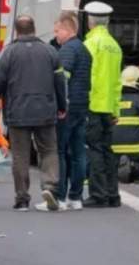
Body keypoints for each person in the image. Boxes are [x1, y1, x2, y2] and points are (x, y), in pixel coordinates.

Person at [0, 15, 66, 212]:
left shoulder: (9, 53)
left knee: (21, 156)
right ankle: (50, 187)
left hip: (17, 111)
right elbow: (60, 82)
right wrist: (62, 106)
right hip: (46, 110)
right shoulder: (50, 51)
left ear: (16, 31)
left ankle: (22, 198)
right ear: (34, 29)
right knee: (48, 151)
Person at [39, 12, 91, 211]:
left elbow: (63, 79)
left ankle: (59, 197)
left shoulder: (67, 50)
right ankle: (75, 197)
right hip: (81, 106)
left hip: (67, 108)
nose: (56, 35)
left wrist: (60, 104)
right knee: (78, 153)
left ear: (67, 30)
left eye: (57, 31)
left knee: (59, 150)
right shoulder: (84, 50)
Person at [82, 1, 122, 208]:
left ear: (90, 21)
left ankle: (98, 195)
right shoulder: (114, 46)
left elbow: (86, 77)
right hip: (108, 108)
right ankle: (113, 194)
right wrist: (115, 109)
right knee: (108, 151)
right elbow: (117, 82)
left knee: (94, 151)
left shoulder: (90, 44)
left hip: (93, 106)